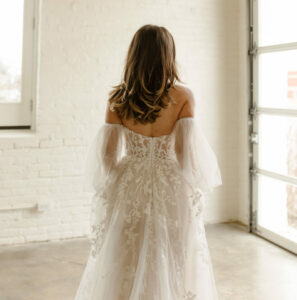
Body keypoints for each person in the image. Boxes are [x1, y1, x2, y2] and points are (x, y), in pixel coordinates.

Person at [74, 24, 222, 300]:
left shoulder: (118, 98)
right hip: (170, 183)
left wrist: (117, 181)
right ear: (168, 56)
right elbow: (183, 153)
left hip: (130, 182)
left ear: (135, 55)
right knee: (172, 252)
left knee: (125, 252)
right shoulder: (183, 96)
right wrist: (191, 186)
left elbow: (108, 154)